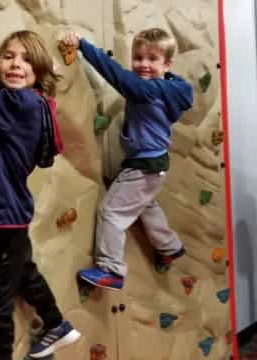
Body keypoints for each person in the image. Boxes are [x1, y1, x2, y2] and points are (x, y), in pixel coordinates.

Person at [0, 30, 80, 359]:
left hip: (2, 218)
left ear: (38, 72)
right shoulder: (28, 105)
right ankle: (56, 325)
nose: (16, 64)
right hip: (10, 216)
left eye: (26, 59)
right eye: (8, 56)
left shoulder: (18, 101)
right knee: (24, 272)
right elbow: (1, 143)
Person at [62, 28, 193, 290]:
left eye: (152, 59)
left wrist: (83, 46)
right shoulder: (171, 88)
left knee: (111, 212)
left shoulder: (149, 90)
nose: (143, 65)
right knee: (146, 205)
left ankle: (111, 270)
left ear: (166, 64)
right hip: (154, 165)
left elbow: (117, 77)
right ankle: (170, 247)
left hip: (143, 165)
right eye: (138, 57)